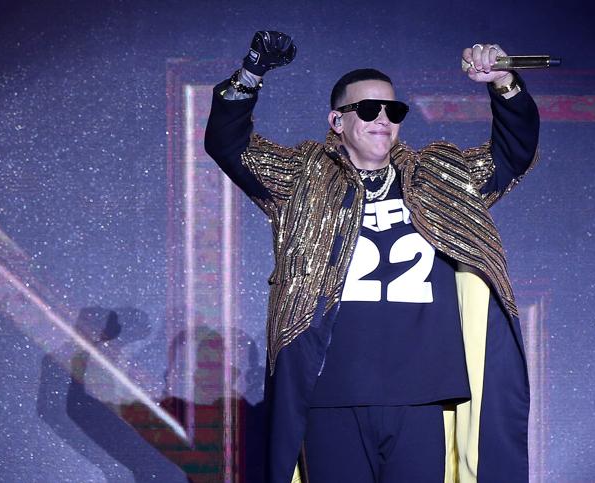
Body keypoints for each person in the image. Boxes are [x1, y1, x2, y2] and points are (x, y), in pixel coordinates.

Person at [204, 30, 540, 483]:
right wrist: (251, 73)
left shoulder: (439, 177)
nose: (383, 119)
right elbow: (229, 145)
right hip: (330, 396)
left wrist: (504, 83)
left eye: (393, 110)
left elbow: (512, 154)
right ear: (337, 121)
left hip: (422, 396)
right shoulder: (304, 178)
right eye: (367, 109)